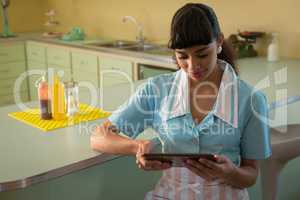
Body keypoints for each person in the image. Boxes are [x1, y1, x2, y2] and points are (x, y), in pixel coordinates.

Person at [90, 3, 271, 200]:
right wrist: (138, 147)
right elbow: (99, 138)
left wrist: (229, 173)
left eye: (202, 54)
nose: (192, 65)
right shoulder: (157, 90)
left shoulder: (251, 100)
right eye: (182, 56)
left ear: (219, 42)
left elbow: (251, 174)